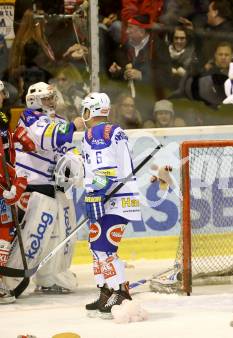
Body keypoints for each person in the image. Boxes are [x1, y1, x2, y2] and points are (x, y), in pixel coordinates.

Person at [6, 82, 83, 295]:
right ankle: (11, 280)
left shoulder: (57, 120)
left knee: (62, 233)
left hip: (53, 186)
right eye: (46, 98)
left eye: (52, 97)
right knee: (33, 235)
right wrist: (73, 126)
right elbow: (49, 138)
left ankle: (52, 277)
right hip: (31, 187)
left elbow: (66, 146)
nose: (51, 101)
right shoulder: (29, 120)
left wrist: (76, 160)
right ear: (34, 100)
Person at [81, 93, 141, 319]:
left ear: (89, 111)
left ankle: (121, 293)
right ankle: (106, 291)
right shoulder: (113, 130)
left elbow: (106, 171)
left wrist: (94, 194)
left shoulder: (96, 132)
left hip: (112, 198)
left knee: (104, 249)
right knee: (96, 247)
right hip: (115, 196)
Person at [0, 81, 35, 303]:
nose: (3, 96)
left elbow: (7, 156)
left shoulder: (2, 118)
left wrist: (14, 180)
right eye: (0, 93)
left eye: (3, 93)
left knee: (5, 229)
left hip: (4, 185)